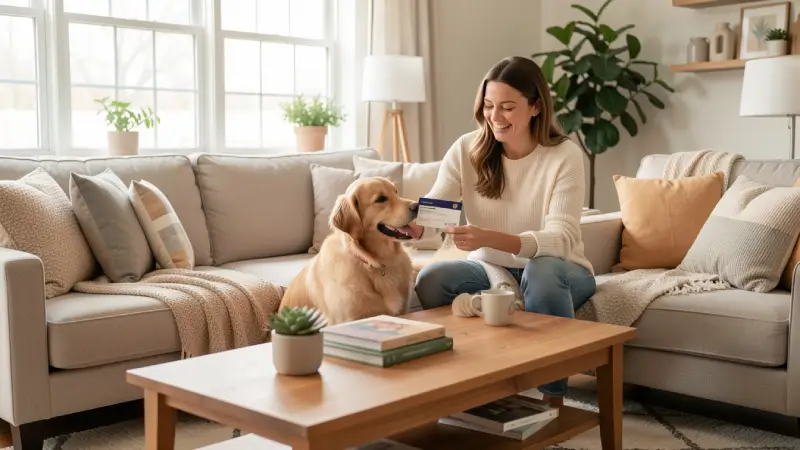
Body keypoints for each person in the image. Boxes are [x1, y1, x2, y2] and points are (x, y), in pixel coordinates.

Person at [405, 56, 596, 407]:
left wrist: (487, 237)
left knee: (542, 272)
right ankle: (479, 380)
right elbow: (436, 203)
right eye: (489, 106)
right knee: (431, 279)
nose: (495, 116)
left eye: (508, 107)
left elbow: (560, 238)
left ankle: (552, 398)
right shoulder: (467, 149)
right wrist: (412, 223)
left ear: (536, 106)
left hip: (562, 268)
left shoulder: (564, 155)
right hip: (491, 269)